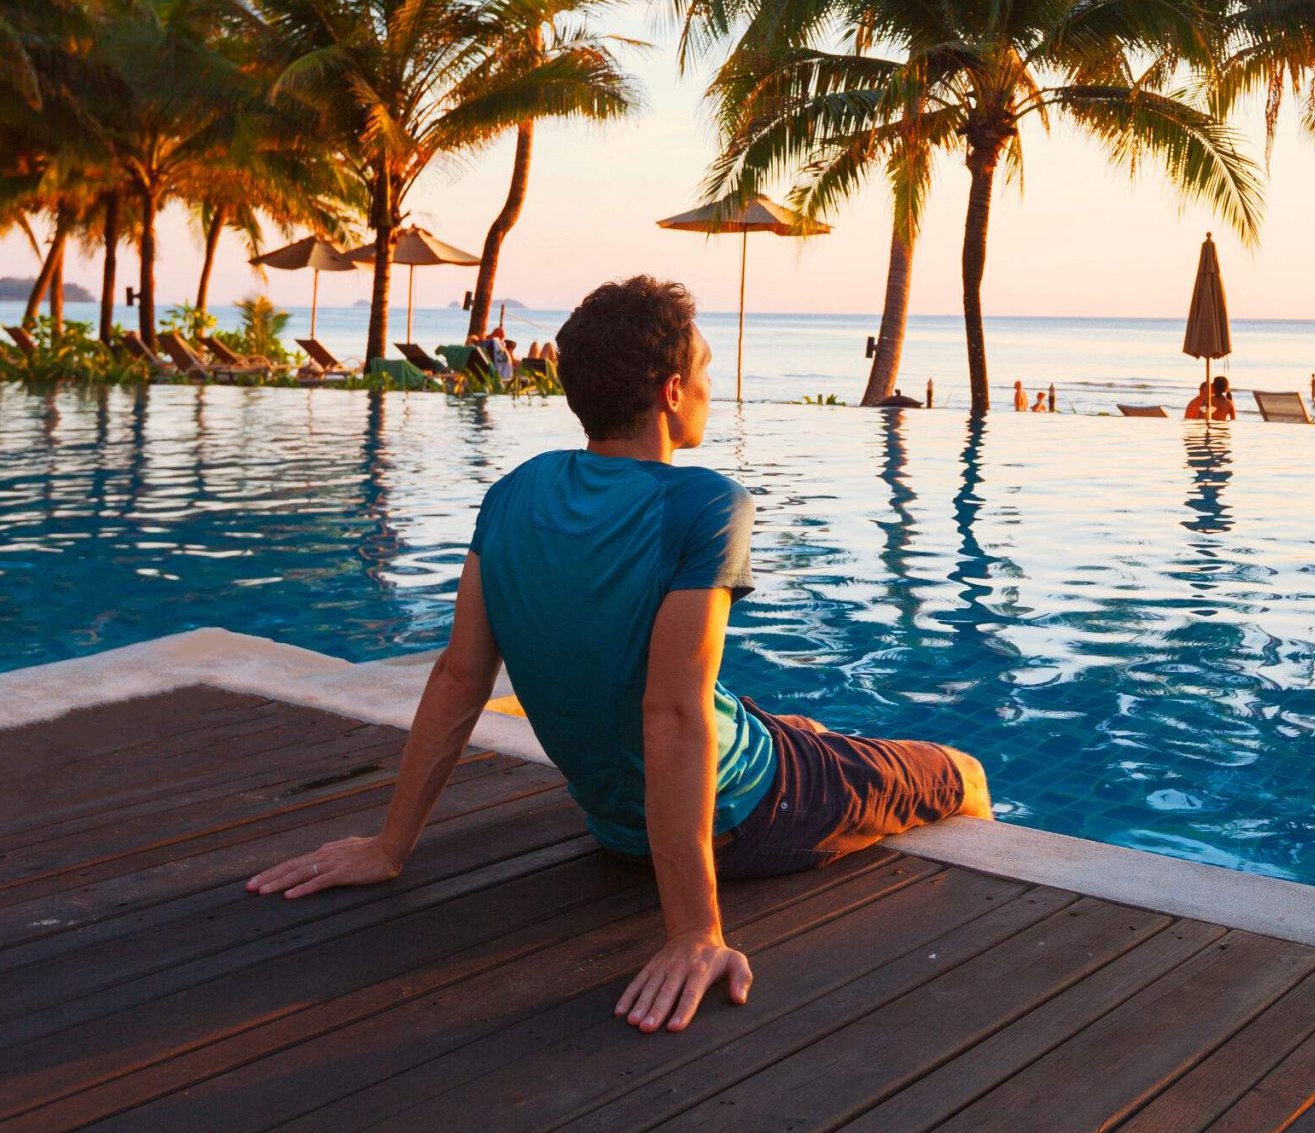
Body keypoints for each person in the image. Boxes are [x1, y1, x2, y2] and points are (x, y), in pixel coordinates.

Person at [248, 275, 992, 1035]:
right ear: (672, 390)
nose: (708, 383)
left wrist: (389, 844)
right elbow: (670, 716)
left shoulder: (513, 492)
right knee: (959, 771)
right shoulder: (704, 506)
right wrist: (694, 931)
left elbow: (460, 676)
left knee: (800, 726)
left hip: (618, 822)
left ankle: (808, 749)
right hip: (745, 813)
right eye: (702, 369)